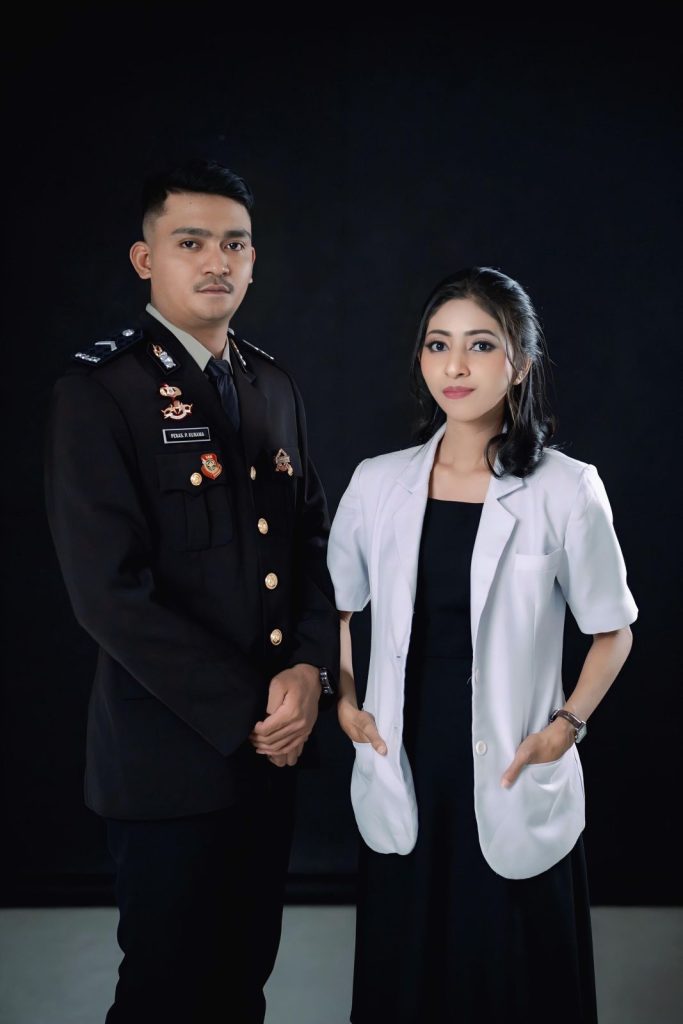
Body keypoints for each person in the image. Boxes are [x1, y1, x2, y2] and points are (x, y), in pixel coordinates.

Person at [44, 158, 339, 1023]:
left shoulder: (272, 385)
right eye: (192, 242)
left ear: (254, 260)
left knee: (241, 987)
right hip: (166, 760)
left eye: (235, 244)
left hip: (271, 754)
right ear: (147, 259)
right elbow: (108, 593)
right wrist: (252, 706)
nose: (217, 261)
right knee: (165, 994)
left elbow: (314, 546)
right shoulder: (101, 393)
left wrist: (311, 669)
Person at [327, 267, 637, 1024]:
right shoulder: (378, 483)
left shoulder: (566, 488)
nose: (455, 366)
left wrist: (565, 727)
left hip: (514, 756)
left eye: (480, 345)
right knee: (409, 966)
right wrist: (345, 698)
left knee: (513, 972)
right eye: (438, 345)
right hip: (405, 753)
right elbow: (335, 608)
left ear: (519, 363)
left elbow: (612, 629)